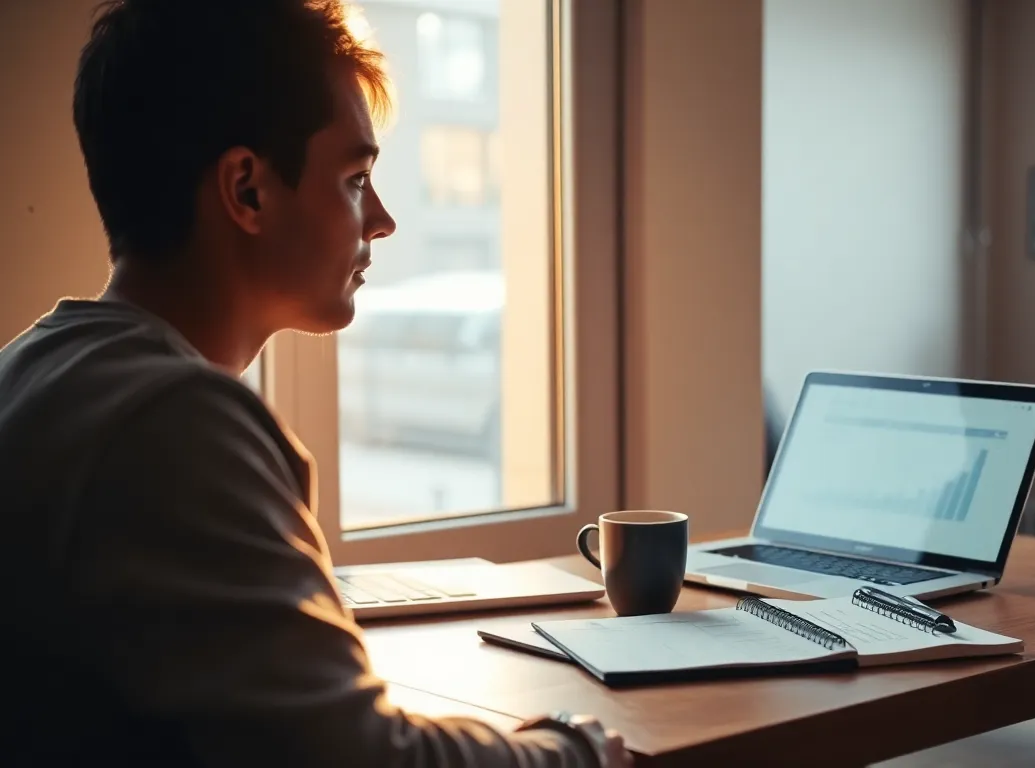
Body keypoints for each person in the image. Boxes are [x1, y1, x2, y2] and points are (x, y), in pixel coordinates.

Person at [0, 1, 629, 766]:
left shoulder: (31, 371)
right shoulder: (174, 421)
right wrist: (571, 751)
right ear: (248, 191)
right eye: (356, 178)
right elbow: (357, 758)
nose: (384, 220)